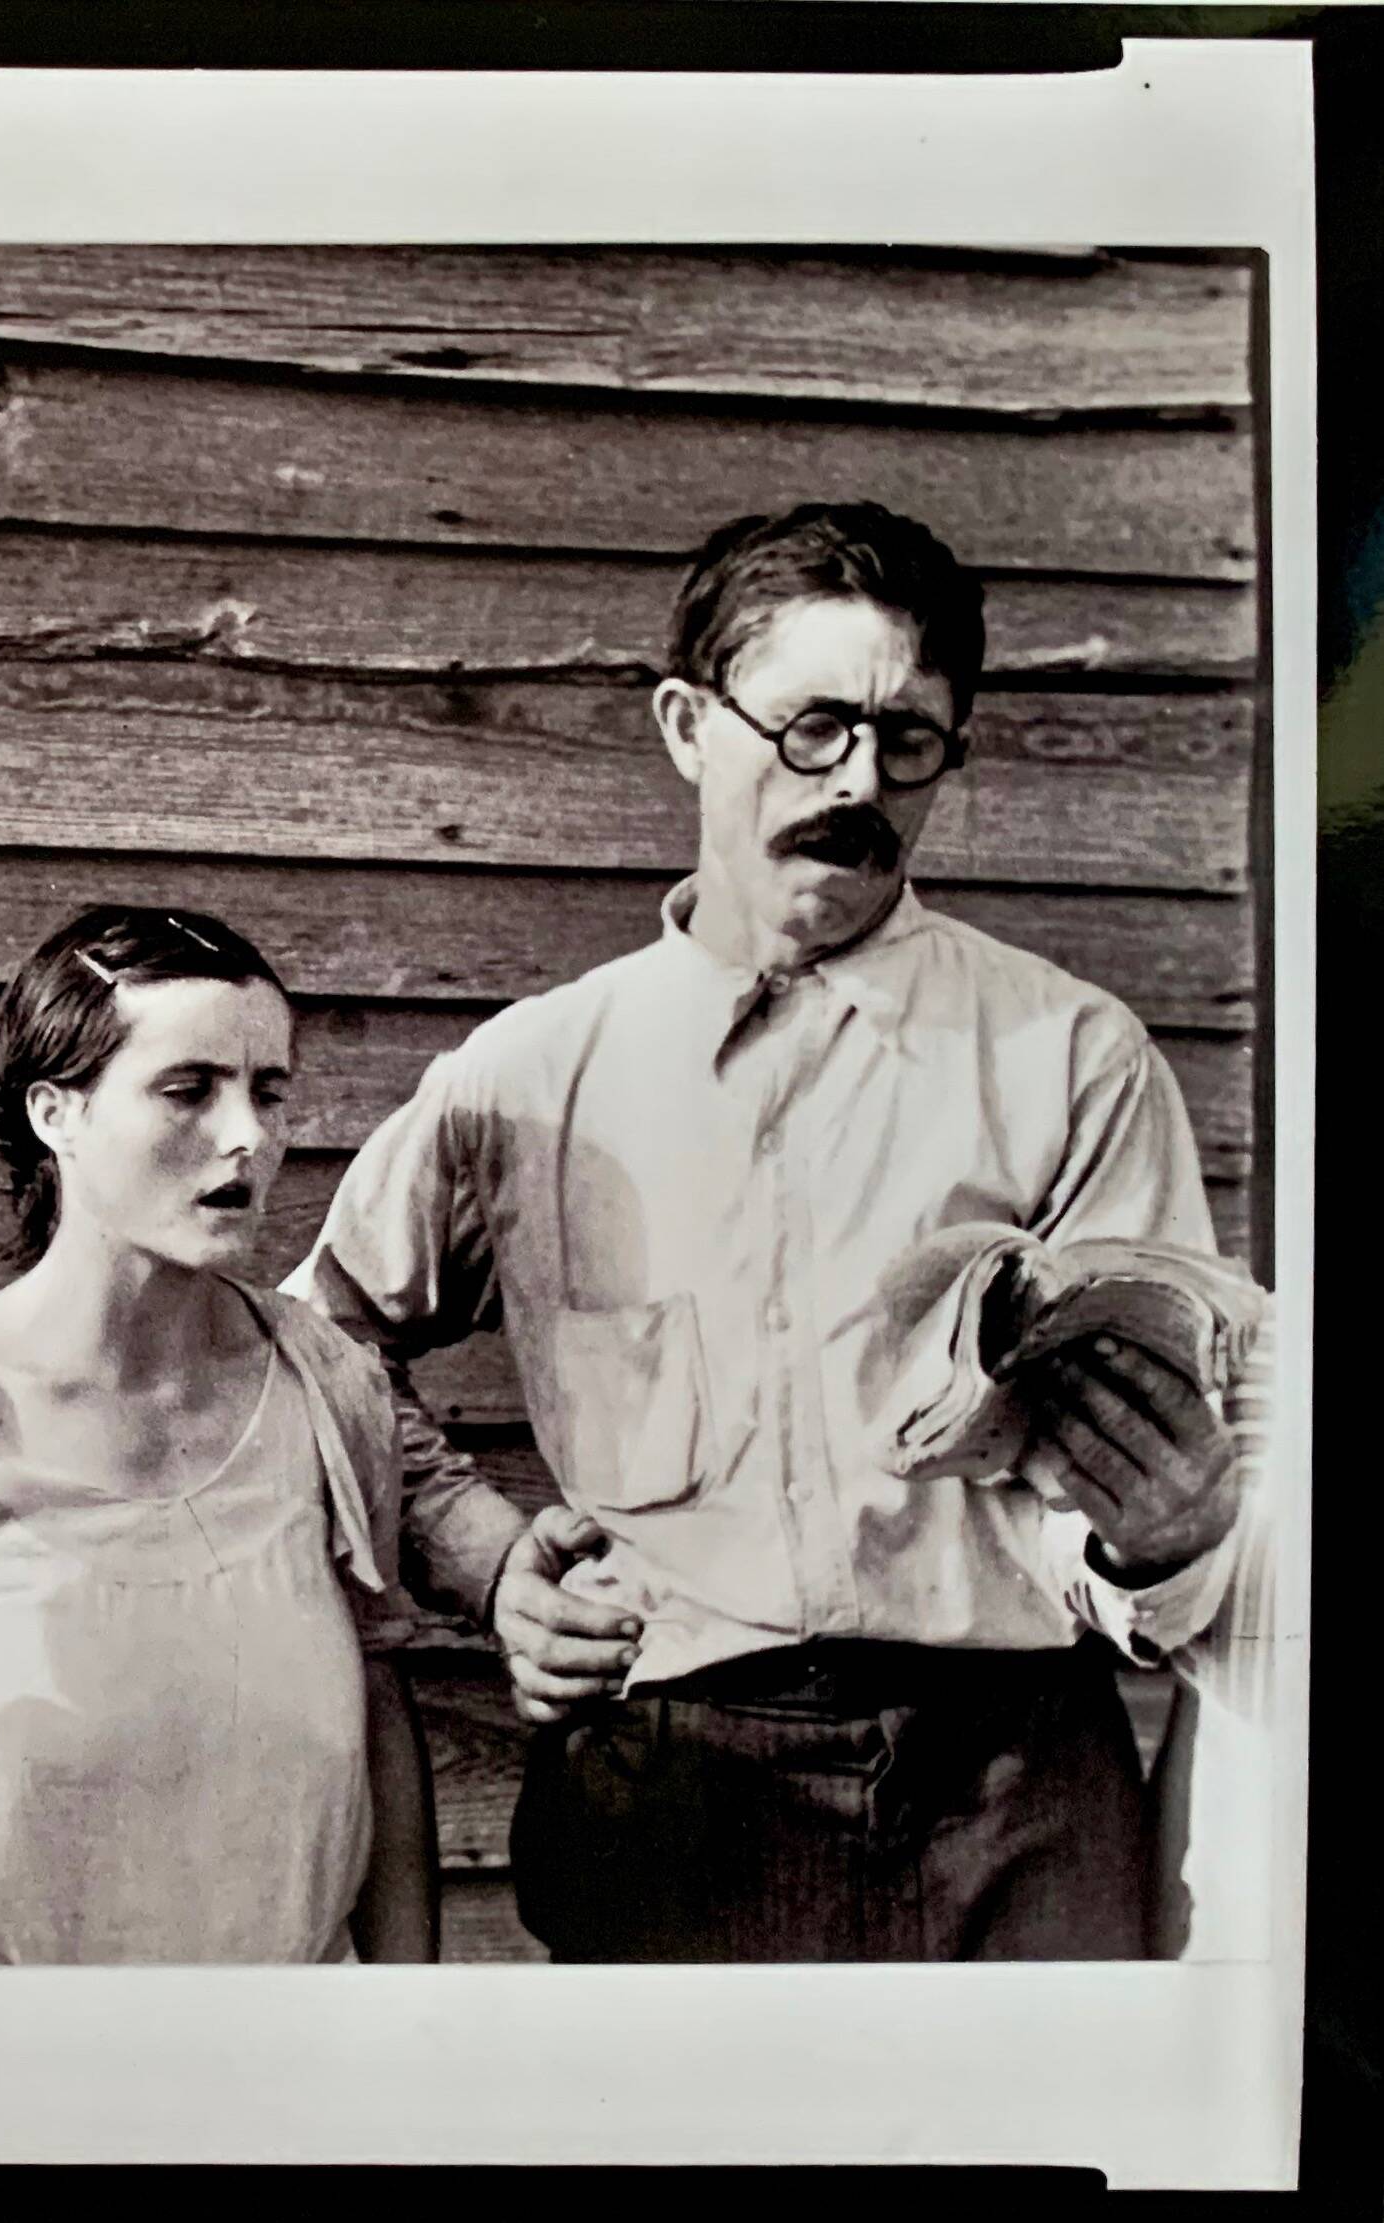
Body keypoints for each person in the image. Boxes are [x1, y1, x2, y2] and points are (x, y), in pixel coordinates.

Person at [286, 501, 1246, 1961]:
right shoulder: (532, 1079)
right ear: (688, 724)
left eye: (907, 739)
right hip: (675, 1788)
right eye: (811, 727)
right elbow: (322, 1350)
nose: (857, 782)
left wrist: (1169, 1526)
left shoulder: (1073, 1057)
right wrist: (489, 1560)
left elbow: (1146, 1462)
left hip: (1015, 1785)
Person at [0, 906, 439, 1966]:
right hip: (13, 2077)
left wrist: (408, 2021)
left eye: (268, 1092)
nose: (247, 1136)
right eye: (188, 1090)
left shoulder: (329, 1385)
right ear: (56, 1112)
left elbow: (377, 1722)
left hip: (293, 2062)